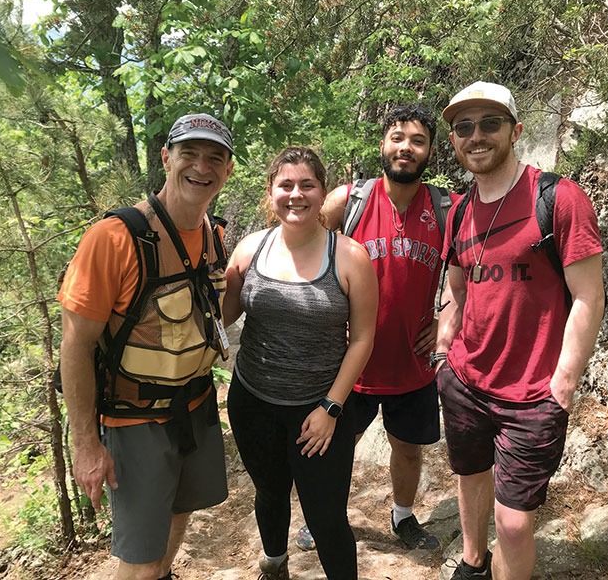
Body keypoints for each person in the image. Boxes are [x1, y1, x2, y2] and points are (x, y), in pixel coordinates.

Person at [435, 81, 605, 580]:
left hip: (533, 395)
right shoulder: (461, 211)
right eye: (464, 127)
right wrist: (447, 345)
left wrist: (564, 384)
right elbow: (459, 285)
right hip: (466, 382)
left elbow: (589, 296)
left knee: (512, 524)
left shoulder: (558, 198)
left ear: (515, 130)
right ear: (454, 140)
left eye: (490, 123)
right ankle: (472, 562)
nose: (477, 135)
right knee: (469, 477)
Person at [58, 113, 235, 580]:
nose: (202, 166)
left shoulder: (214, 237)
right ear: (166, 157)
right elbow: (75, 345)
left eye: (214, 157)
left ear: (228, 170)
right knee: (137, 560)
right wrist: (86, 444)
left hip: (195, 405)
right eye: (189, 153)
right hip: (135, 417)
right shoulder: (114, 238)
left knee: (180, 513)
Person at [307, 104, 458, 551]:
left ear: (430, 151)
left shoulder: (446, 208)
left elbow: (468, 266)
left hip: (412, 361)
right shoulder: (347, 201)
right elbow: (306, 252)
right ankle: (322, 517)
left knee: (408, 449)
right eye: (397, 138)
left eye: (417, 141)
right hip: (351, 362)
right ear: (382, 144)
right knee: (336, 447)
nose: (405, 148)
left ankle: (403, 517)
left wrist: (447, 316)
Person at [223, 146, 378, 580]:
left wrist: (331, 407)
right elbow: (222, 315)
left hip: (320, 411)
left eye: (306, 185)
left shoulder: (350, 257)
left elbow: (363, 339)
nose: (296, 194)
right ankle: (274, 566)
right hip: (252, 401)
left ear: (322, 192)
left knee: (326, 517)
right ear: (270, 192)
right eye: (285, 185)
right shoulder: (250, 249)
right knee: (269, 493)